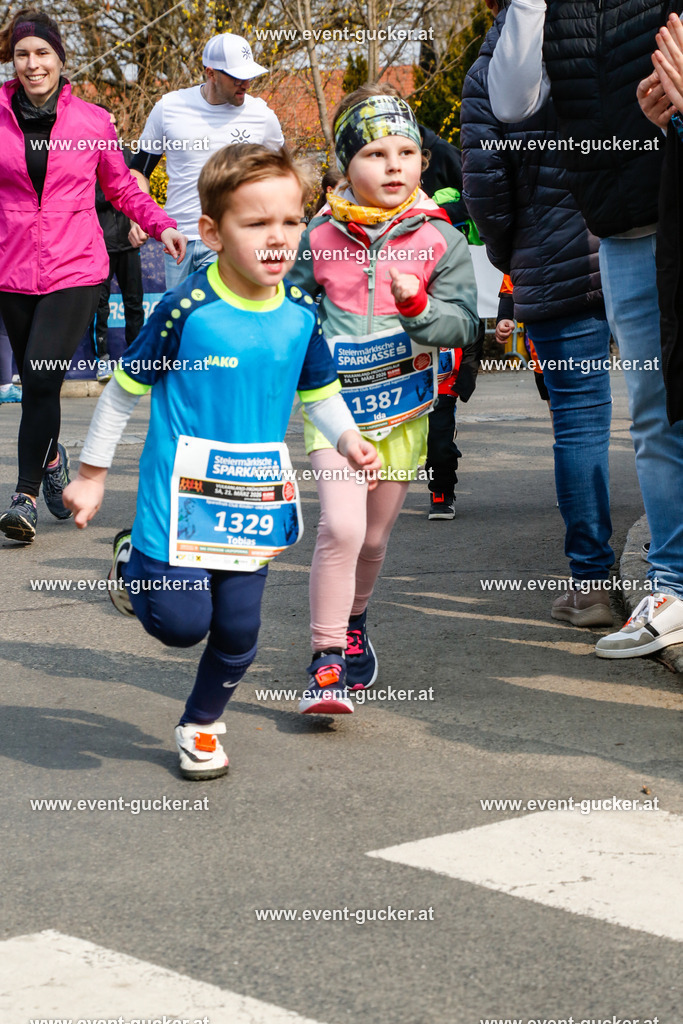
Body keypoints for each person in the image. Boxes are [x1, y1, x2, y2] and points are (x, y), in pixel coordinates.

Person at [63, 144, 381, 780]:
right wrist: (92, 476)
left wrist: (348, 440)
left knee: (238, 631)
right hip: (175, 502)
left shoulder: (301, 314)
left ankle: (201, 723)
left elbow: (319, 393)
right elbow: (124, 390)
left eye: (291, 221)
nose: (278, 238)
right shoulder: (187, 310)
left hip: (250, 502)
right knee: (182, 625)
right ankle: (133, 563)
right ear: (212, 232)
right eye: (256, 223)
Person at [486, 0, 683, 659]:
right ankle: (671, 587)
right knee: (652, 413)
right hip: (622, 227)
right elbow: (511, 103)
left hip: (675, 200)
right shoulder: (552, 8)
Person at [289, 85, 479, 713]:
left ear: (423, 160)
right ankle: (325, 660)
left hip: (404, 413)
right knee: (340, 527)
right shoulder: (317, 236)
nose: (394, 165)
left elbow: (465, 325)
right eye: (375, 154)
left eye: (407, 152)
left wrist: (418, 307)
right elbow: (289, 309)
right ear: (346, 166)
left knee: (372, 539)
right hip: (333, 409)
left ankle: (355, 622)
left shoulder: (441, 240)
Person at [0, 8, 185, 546]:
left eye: (42, 53)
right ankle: (51, 456)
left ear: (60, 58)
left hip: (76, 266)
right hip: (12, 265)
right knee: (34, 382)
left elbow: (122, 187)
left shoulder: (91, 122)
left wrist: (161, 224)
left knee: (41, 377)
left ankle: (24, 498)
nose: (33, 64)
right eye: (22, 54)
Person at [129, 32, 284, 288]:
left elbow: (284, 176)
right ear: (211, 73)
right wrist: (138, 217)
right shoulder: (169, 108)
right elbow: (139, 170)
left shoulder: (262, 115)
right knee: (181, 312)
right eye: (237, 77)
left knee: (217, 310)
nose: (246, 84)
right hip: (177, 241)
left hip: (230, 239)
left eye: (249, 76)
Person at [89, 107, 145, 384]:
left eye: (113, 124)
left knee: (134, 304)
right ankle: (102, 360)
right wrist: (114, 190)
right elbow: (94, 197)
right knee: (100, 306)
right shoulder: (85, 155)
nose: (110, 128)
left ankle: (136, 359)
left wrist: (139, 221)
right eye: (106, 123)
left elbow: (137, 189)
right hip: (99, 244)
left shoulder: (125, 154)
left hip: (128, 244)